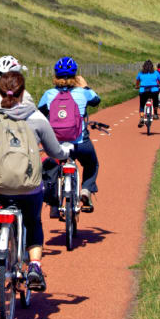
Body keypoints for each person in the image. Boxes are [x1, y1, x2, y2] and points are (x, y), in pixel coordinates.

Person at [0, 71, 69, 291]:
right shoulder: (37, 118)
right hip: (30, 188)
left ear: (0, 92)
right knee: (33, 221)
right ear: (23, 92)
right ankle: (34, 265)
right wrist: (64, 152)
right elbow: (54, 150)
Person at [38, 57, 101, 213]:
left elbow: (40, 112)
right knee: (92, 164)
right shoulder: (83, 93)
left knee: (52, 166)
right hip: (80, 142)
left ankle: (53, 201)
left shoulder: (49, 94)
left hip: (56, 143)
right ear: (75, 76)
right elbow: (96, 100)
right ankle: (86, 190)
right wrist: (85, 86)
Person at [135, 60, 160, 127]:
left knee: (142, 105)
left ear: (144, 66)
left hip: (143, 91)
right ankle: (155, 113)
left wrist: (137, 86)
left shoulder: (141, 73)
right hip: (154, 90)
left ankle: (141, 118)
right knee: (156, 101)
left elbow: (137, 82)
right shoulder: (156, 73)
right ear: (152, 66)